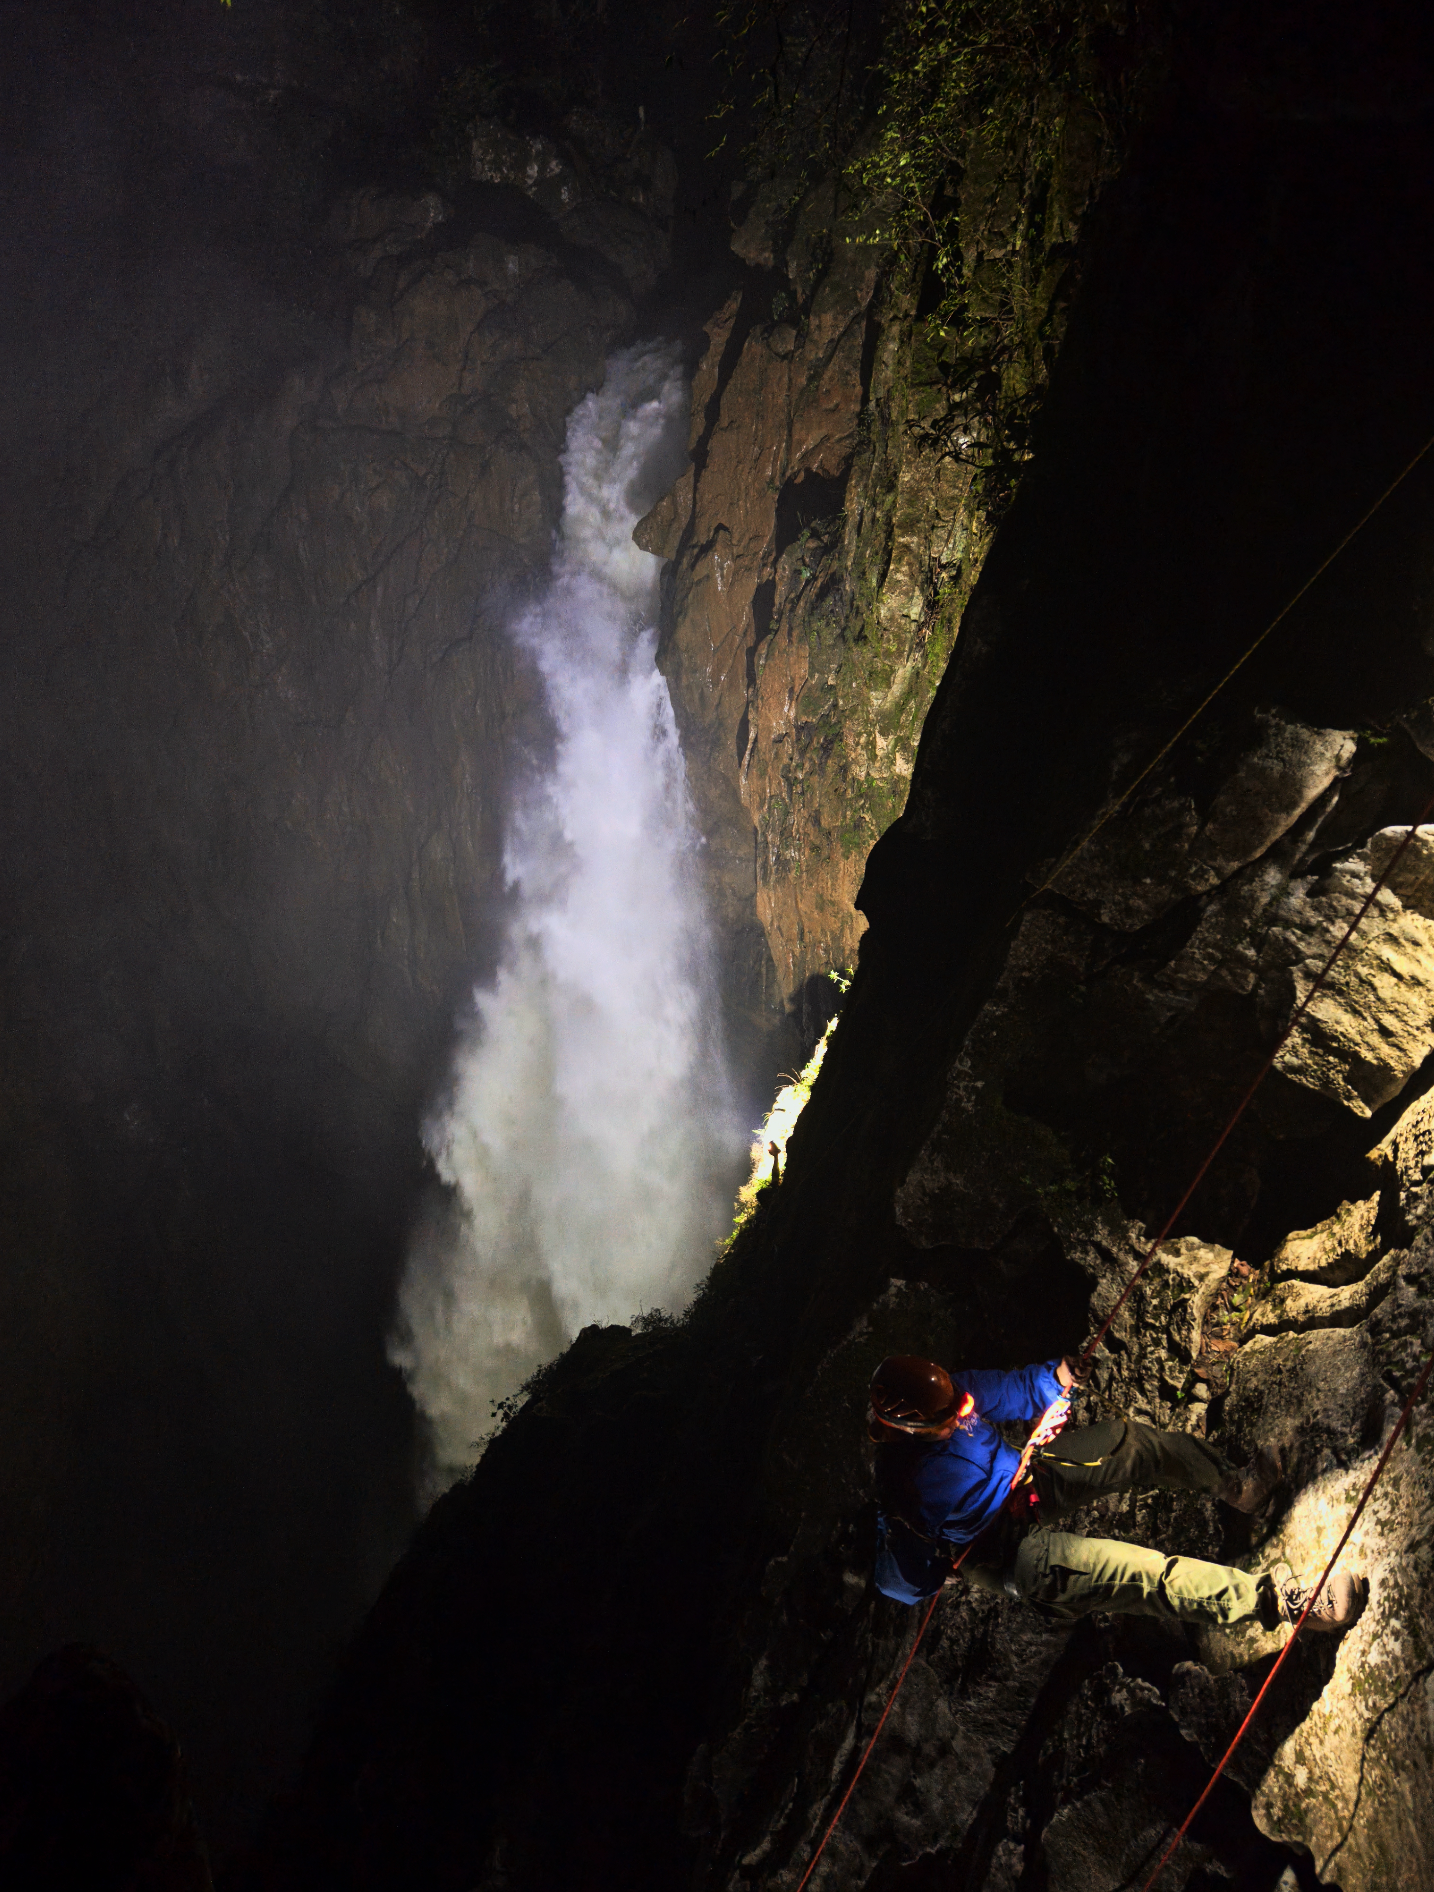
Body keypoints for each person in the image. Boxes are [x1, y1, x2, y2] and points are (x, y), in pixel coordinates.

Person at [869, 1354, 1367, 1633]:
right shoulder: (900, 1489)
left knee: (1130, 1445)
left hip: (1026, 1477)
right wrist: (942, 1564)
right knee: (1141, 1573)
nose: (964, 1414)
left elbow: (1014, 1388)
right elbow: (907, 1579)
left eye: (962, 1406)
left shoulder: (954, 1392)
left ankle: (1241, 1489)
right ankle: (1287, 1604)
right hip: (999, 1551)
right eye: (951, 1419)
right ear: (912, 1430)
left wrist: (1056, 1380)